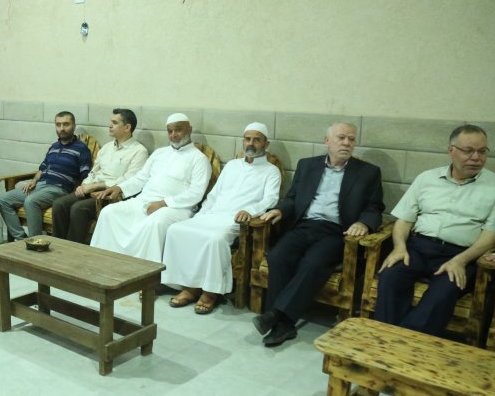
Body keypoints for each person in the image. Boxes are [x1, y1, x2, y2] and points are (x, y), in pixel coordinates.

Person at [252, 122, 384, 347]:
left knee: (313, 263)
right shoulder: (307, 165)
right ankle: (284, 324)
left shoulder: (368, 172)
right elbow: (293, 197)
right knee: (278, 256)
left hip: (336, 231)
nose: (347, 143)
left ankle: (275, 315)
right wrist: (279, 210)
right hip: (304, 225)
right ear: (327, 141)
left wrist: (363, 223)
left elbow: (375, 207)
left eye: (351, 139)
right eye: (341, 138)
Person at [374, 124, 495, 337]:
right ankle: (384, 338)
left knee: (442, 294)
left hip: (461, 254)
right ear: (451, 151)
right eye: (469, 151)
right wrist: (399, 247)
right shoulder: (426, 178)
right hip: (418, 247)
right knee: (391, 276)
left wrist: (461, 261)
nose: (476, 157)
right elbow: (404, 220)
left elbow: (490, 236)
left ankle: (405, 342)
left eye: (482, 151)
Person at [162, 122, 281, 314]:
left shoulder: (271, 171)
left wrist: (250, 211)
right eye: (247, 139)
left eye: (257, 140)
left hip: (237, 219)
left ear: (266, 144)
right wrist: (200, 215)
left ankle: (210, 292)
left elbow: (270, 199)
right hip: (213, 214)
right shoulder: (232, 166)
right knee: (177, 230)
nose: (251, 143)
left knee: (215, 239)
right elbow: (214, 195)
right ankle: (190, 287)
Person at [89, 113, 211, 264]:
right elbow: (141, 178)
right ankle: (104, 262)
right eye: (170, 131)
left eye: (178, 130)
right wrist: (119, 188)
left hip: (176, 208)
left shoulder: (199, 159)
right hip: (143, 201)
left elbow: (196, 193)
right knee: (109, 212)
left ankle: (143, 271)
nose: (174, 135)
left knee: (155, 223)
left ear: (189, 129)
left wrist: (164, 203)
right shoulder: (160, 153)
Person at [51, 108, 148, 244]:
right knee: (59, 204)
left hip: (111, 195)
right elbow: (93, 172)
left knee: (78, 208)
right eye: (111, 122)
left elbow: (129, 180)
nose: (110, 125)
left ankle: (73, 250)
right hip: (91, 189)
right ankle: (58, 245)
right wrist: (84, 185)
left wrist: (96, 186)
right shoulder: (107, 148)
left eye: (115, 123)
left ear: (127, 127)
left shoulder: (139, 151)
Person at [0, 111, 92, 240]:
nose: (62, 128)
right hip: (40, 186)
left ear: (74, 126)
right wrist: (34, 181)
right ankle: (21, 239)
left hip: (59, 189)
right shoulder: (53, 147)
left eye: (66, 124)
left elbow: (86, 175)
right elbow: (42, 168)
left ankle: (36, 242)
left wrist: (79, 190)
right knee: (3, 199)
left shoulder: (81, 149)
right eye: (58, 124)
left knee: (31, 201)